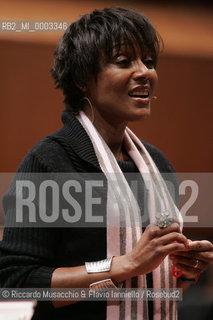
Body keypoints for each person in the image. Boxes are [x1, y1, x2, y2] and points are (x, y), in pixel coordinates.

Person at [0, 7, 212, 320]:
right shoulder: (49, 161)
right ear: (82, 79)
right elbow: (16, 284)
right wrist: (124, 266)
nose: (144, 73)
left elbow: (153, 294)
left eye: (149, 62)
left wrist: (183, 273)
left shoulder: (157, 164)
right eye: (124, 61)